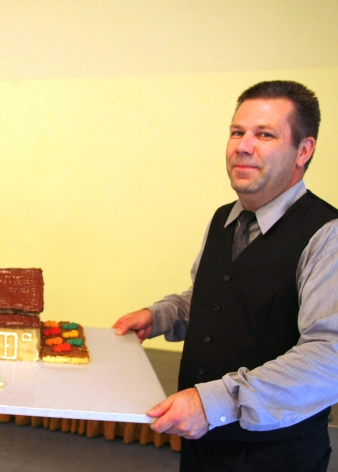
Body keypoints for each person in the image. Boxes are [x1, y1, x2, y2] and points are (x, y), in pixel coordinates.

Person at [113, 80, 337, 471]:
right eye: (237, 132)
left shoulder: (327, 235)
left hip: (276, 456)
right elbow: (208, 297)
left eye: (264, 134)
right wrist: (160, 315)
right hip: (205, 444)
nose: (243, 146)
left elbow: (329, 356)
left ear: (304, 150)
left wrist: (215, 401)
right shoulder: (223, 219)